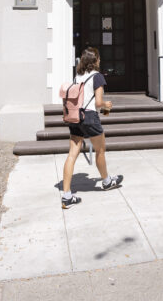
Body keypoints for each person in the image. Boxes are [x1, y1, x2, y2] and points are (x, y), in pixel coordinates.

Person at [61, 47, 123, 209]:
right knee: (100, 151)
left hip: (75, 117)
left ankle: (66, 195)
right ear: (95, 61)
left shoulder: (77, 77)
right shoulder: (97, 77)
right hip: (90, 118)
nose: (100, 60)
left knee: (72, 154)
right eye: (99, 58)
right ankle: (107, 181)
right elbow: (97, 102)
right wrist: (106, 104)